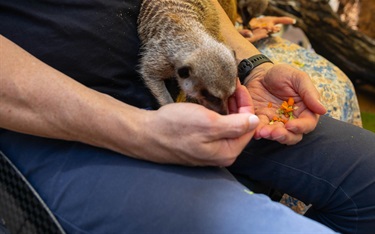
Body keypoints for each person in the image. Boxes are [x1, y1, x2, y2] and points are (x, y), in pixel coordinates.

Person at [0, 0, 374, 233]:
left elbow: (195, 8)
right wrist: (141, 131)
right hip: (60, 127)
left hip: (187, 101)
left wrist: (254, 67)